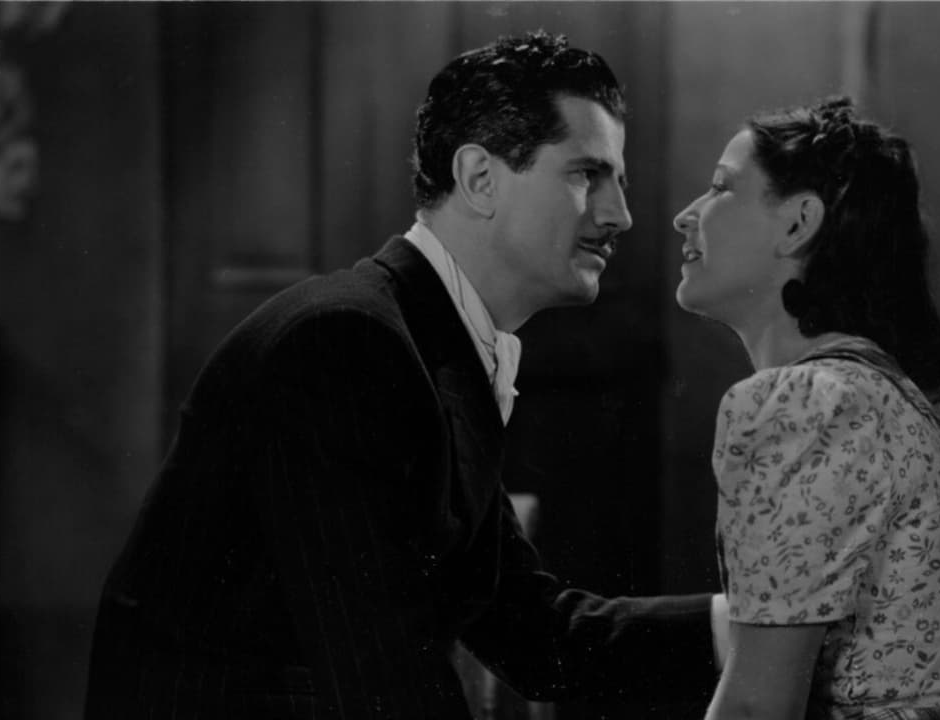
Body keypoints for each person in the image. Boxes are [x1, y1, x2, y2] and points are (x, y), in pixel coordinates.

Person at [85, 31, 721, 719]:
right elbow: (383, 681)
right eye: (586, 174)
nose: (620, 214)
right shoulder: (347, 344)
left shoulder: (424, 339)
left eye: (619, 180)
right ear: (479, 179)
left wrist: (741, 625)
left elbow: (537, 636)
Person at [671, 97, 940, 719]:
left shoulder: (804, 404)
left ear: (799, 224)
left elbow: (754, 708)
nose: (685, 216)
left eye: (721, 187)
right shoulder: (864, 382)